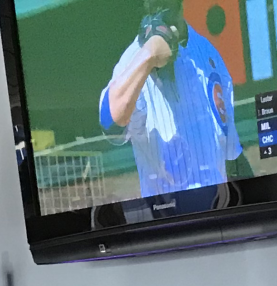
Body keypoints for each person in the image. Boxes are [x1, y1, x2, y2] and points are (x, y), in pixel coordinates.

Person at [99, 2, 248, 202]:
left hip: (215, 210)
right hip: (168, 216)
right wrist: (148, 56)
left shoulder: (207, 53)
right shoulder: (133, 60)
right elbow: (110, 122)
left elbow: (231, 153)